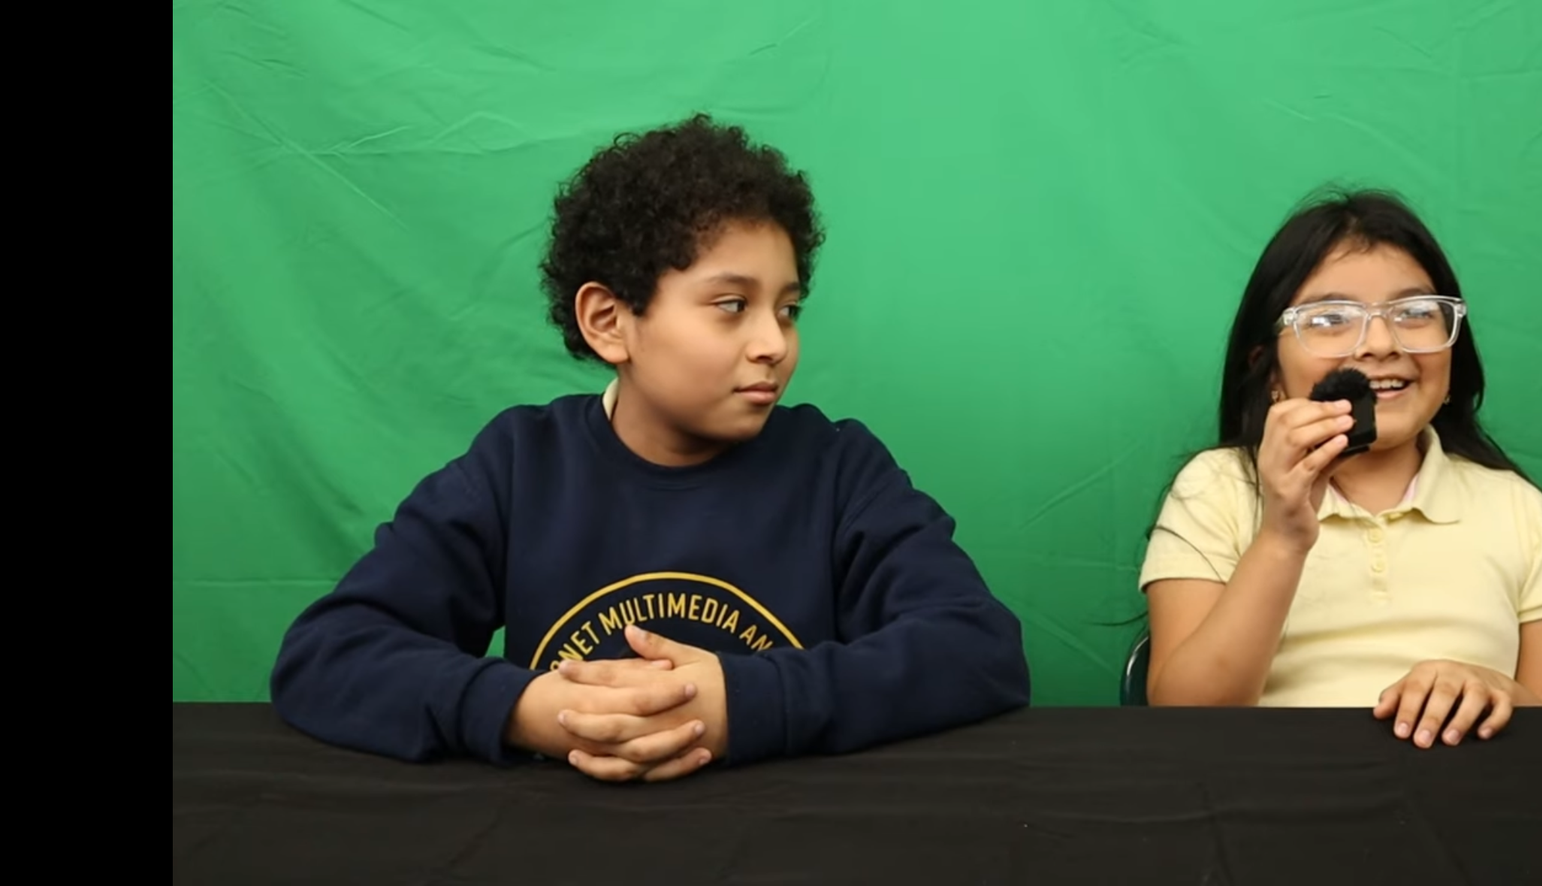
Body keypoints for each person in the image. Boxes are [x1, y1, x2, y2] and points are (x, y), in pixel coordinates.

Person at [270, 113, 1031, 783]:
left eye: (788, 309)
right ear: (609, 322)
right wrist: (527, 707)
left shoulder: (838, 469)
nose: (774, 343)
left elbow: (978, 648)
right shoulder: (520, 467)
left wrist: (743, 702)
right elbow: (329, 653)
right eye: (731, 307)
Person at [1137, 187, 1542, 748]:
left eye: (1414, 313)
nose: (1380, 343)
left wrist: (1500, 690)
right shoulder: (1216, 488)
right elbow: (1183, 721)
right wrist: (1283, 536)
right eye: (1331, 318)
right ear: (1268, 370)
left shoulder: (1514, 506)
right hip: (1269, 803)